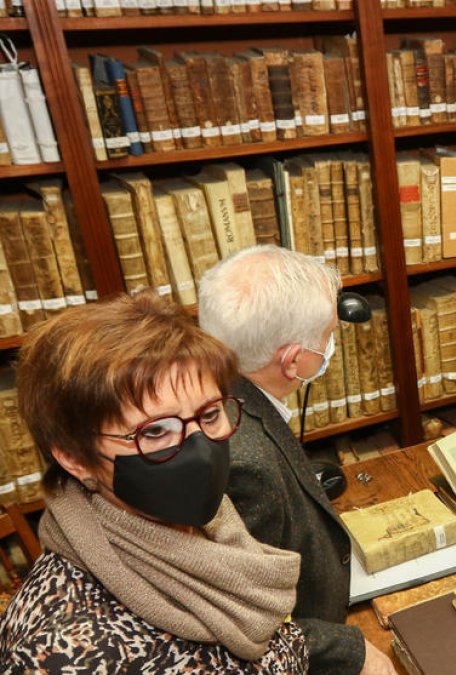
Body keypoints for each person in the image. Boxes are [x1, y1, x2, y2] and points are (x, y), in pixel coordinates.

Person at [0, 291, 307, 671]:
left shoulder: (205, 525)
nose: (199, 450)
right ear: (75, 458)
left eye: (209, 414)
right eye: (156, 431)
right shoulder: (61, 652)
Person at [199, 245, 396, 675]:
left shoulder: (224, 393)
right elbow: (253, 620)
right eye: (327, 334)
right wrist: (349, 650)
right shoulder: (246, 465)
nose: (330, 345)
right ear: (293, 361)